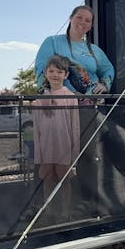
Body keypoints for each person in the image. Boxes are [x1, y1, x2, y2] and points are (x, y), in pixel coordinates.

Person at [33, 54, 80, 221]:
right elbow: (37, 130)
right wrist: (38, 156)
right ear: (45, 73)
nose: (55, 75)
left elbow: (74, 127)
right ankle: (48, 211)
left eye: (59, 71)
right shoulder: (39, 100)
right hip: (46, 148)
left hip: (64, 147)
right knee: (47, 179)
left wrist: (75, 156)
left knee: (64, 180)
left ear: (65, 75)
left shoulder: (70, 98)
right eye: (51, 71)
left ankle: (65, 211)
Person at [34, 5, 115, 95]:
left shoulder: (95, 50)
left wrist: (104, 85)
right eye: (79, 17)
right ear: (70, 18)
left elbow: (108, 69)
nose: (83, 22)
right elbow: (41, 67)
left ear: (91, 26)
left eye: (87, 20)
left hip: (92, 102)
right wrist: (44, 91)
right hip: (60, 102)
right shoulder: (52, 42)